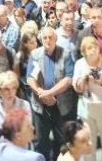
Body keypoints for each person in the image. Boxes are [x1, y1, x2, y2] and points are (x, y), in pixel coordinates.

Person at [27, 27, 77, 160]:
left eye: (51, 37)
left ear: (56, 39)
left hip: (61, 104)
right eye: (45, 38)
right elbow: (30, 78)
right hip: (40, 104)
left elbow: (68, 79)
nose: (48, 40)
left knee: (60, 140)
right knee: (40, 140)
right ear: (41, 39)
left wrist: (50, 93)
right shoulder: (35, 54)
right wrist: (41, 93)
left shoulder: (65, 54)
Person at [73, 36, 102, 161]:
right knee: (89, 145)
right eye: (89, 48)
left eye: (95, 47)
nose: (93, 50)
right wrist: (84, 77)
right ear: (84, 52)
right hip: (86, 109)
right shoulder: (80, 64)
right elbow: (77, 88)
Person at [0, 71, 32, 159]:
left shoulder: (24, 105)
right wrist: (9, 135)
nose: (11, 92)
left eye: (13, 88)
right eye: (6, 89)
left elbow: (25, 134)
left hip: (18, 155)